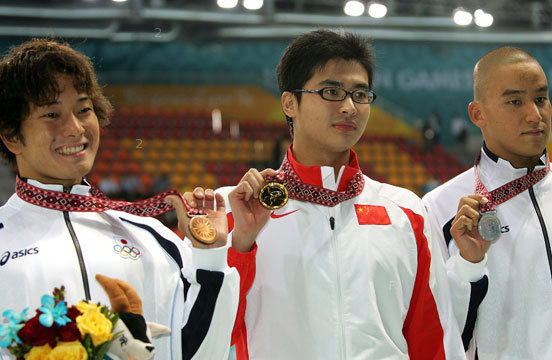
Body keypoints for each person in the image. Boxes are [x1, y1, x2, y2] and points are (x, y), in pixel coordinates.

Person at [212, 29, 466, 359]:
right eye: (331, 91)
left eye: (360, 94)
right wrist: (241, 246)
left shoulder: (406, 212)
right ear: (290, 103)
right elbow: (212, 335)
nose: (349, 107)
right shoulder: (236, 212)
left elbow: (432, 338)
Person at [0, 39, 239, 360]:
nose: (74, 128)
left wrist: (210, 258)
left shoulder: (152, 238)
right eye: (52, 114)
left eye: (83, 110)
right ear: (12, 135)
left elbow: (202, 354)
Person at [422, 47, 552, 359]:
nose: (535, 115)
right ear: (477, 114)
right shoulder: (440, 207)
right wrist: (467, 266)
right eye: (515, 102)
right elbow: (440, 330)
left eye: (541, 98)